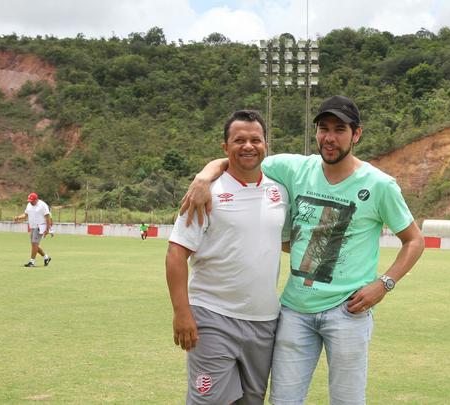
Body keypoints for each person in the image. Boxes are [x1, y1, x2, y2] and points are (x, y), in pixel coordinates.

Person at [180, 95, 425, 405]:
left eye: (340, 129)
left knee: (347, 401)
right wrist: (204, 175)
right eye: (324, 128)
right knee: (283, 401)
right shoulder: (294, 169)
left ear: (357, 134)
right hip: (295, 310)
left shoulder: (379, 185)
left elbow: (414, 240)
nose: (330, 138)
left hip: (348, 310)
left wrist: (384, 284)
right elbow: (242, 156)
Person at [166, 110, 290, 405]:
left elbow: (285, 243)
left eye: (255, 139)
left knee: (250, 401)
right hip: (212, 315)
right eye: (239, 140)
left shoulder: (280, 191)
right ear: (225, 148)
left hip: (264, 321)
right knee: (208, 401)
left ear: (266, 145)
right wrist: (182, 313)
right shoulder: (205, 193)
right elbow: (175, 254)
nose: (248, 146)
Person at [13, 192, 53, 268]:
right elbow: (25, 215)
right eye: (29, 200)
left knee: (34, 243)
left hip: (40, 227)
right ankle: (46, 257)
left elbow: (47, 217)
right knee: (34, 245)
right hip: (32, 227)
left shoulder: (42, 205)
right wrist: (18, 217)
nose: (30, 202)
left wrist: (47, 229)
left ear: (36, 199)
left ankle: (32, 262)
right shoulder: (29, 205)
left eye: (32, 200)